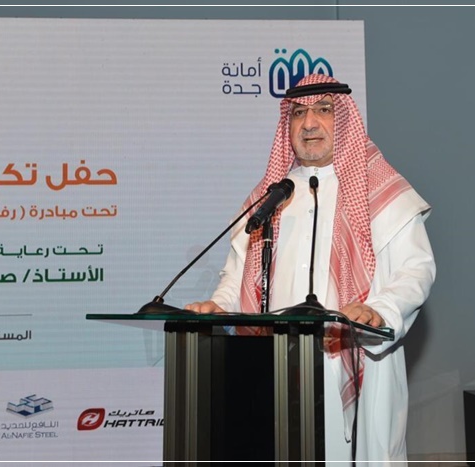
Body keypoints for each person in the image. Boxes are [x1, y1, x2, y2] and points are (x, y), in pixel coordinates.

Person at [184, 73, 436, 465]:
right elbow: (239, 274)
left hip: (357, 357)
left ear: (345, 119)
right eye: (298, 113)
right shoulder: (272, 196)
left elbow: (416, 270)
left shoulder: (381, 190)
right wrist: (220, 306)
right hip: (278, 366)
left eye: (324, 110)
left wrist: (379, 310)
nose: (309, 123)